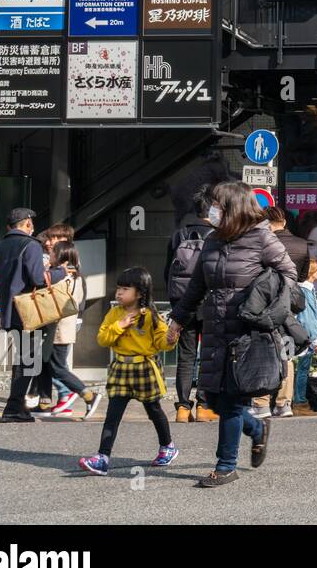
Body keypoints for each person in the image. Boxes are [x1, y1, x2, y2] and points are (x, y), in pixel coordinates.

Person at [167, 181, 297, 487]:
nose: (212, 211)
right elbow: (196, 286)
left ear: (233, 208)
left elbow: (289, 276)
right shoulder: (213, 240)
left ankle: (225, 465)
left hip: (246, 331)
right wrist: (177, 321)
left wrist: (261, 299)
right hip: (214, 328)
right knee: (213, 397)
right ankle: (256, 429)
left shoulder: (262, 238)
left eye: (218, 205)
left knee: (232, 398)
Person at [79, 267, 177, 475]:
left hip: (144, 367)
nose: (119, 293)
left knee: (154, 410)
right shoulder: (114, 313)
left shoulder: (150, 315)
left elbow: (161, 343)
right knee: (113, 414)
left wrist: (171, 338)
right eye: (118, 288)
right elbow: (102, 339)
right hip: (121, 367)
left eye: (125, 289)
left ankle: (167, 446)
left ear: (140, 293)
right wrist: (119, 326)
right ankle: (103, 457)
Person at [0, 207, 68, 423]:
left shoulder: (0, 248)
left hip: (9, 310)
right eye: (31, 223)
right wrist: (60, 272)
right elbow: (37, 278)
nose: (32, 227)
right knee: (28, 361)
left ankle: (15, 406)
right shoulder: (31, 245)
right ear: (27, 224)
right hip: (28, 313)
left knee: (23, 359)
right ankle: (14, 408)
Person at [167, 185, 218, 424]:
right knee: (209, 355)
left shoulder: (179, 235)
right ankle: (204, 406)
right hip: (210, 303)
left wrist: (176, 304)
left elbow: (167, 271)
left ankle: (182, 408)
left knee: (185, 356)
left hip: (183, 303)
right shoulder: (218, 235)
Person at [43, 241, 102, 418]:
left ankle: (87, 395)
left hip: (59, 330)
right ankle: (79, 395)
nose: (50, 255)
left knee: (58, 368)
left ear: (60, 256)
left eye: (53, 252)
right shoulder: (76, 276)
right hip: (64, 329)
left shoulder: (61, 277)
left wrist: (46, 269)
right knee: (54, 366)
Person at [289, 256, 317, 415]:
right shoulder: (306, 291)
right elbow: (309, 318)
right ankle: (300, 402)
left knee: (293, 368)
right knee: (302, 369)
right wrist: (316, 338)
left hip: (296, 334)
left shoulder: (300, 289)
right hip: (305, 337)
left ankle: (292, 401)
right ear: (312, 273)